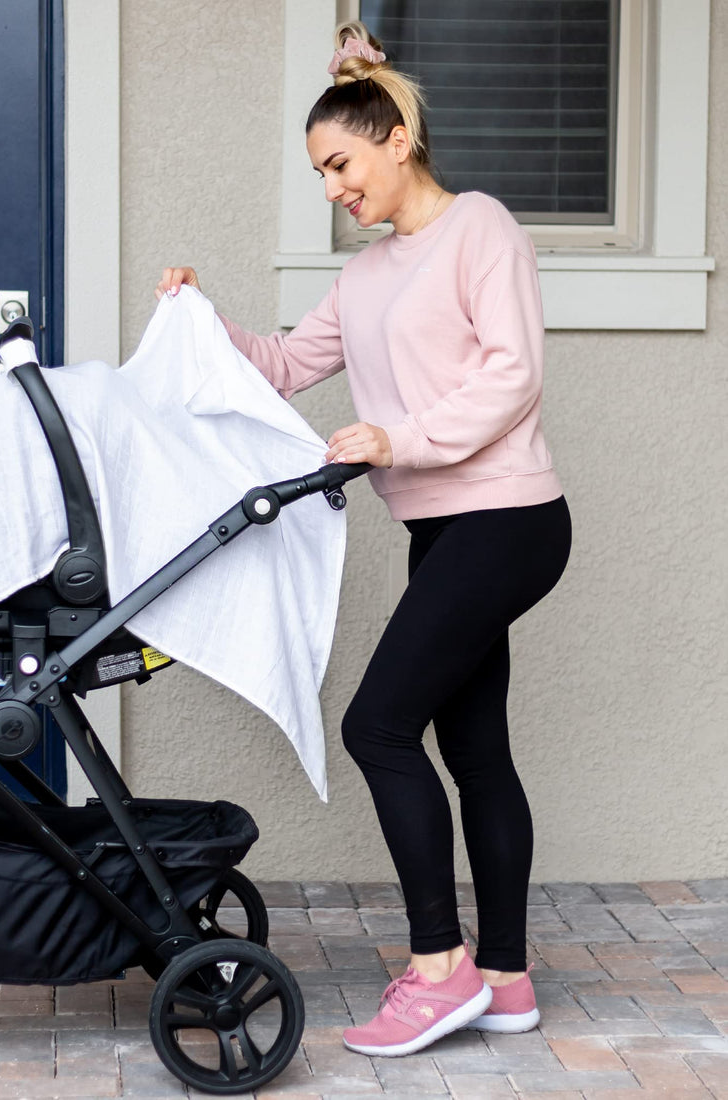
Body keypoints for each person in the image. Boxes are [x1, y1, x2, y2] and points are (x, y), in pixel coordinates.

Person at [156, 21, 571, 1058]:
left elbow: (510, 371)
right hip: (446, 526)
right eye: (319, 175)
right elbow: (288, 361)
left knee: (377, 725)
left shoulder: (479, 227)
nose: (334, 187)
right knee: (474, 748)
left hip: (509, 517)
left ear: (393, 137)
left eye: (340, 163)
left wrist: (399, 437)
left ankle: (440, 969)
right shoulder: (370, 274)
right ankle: (505, 981)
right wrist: (201, 319)